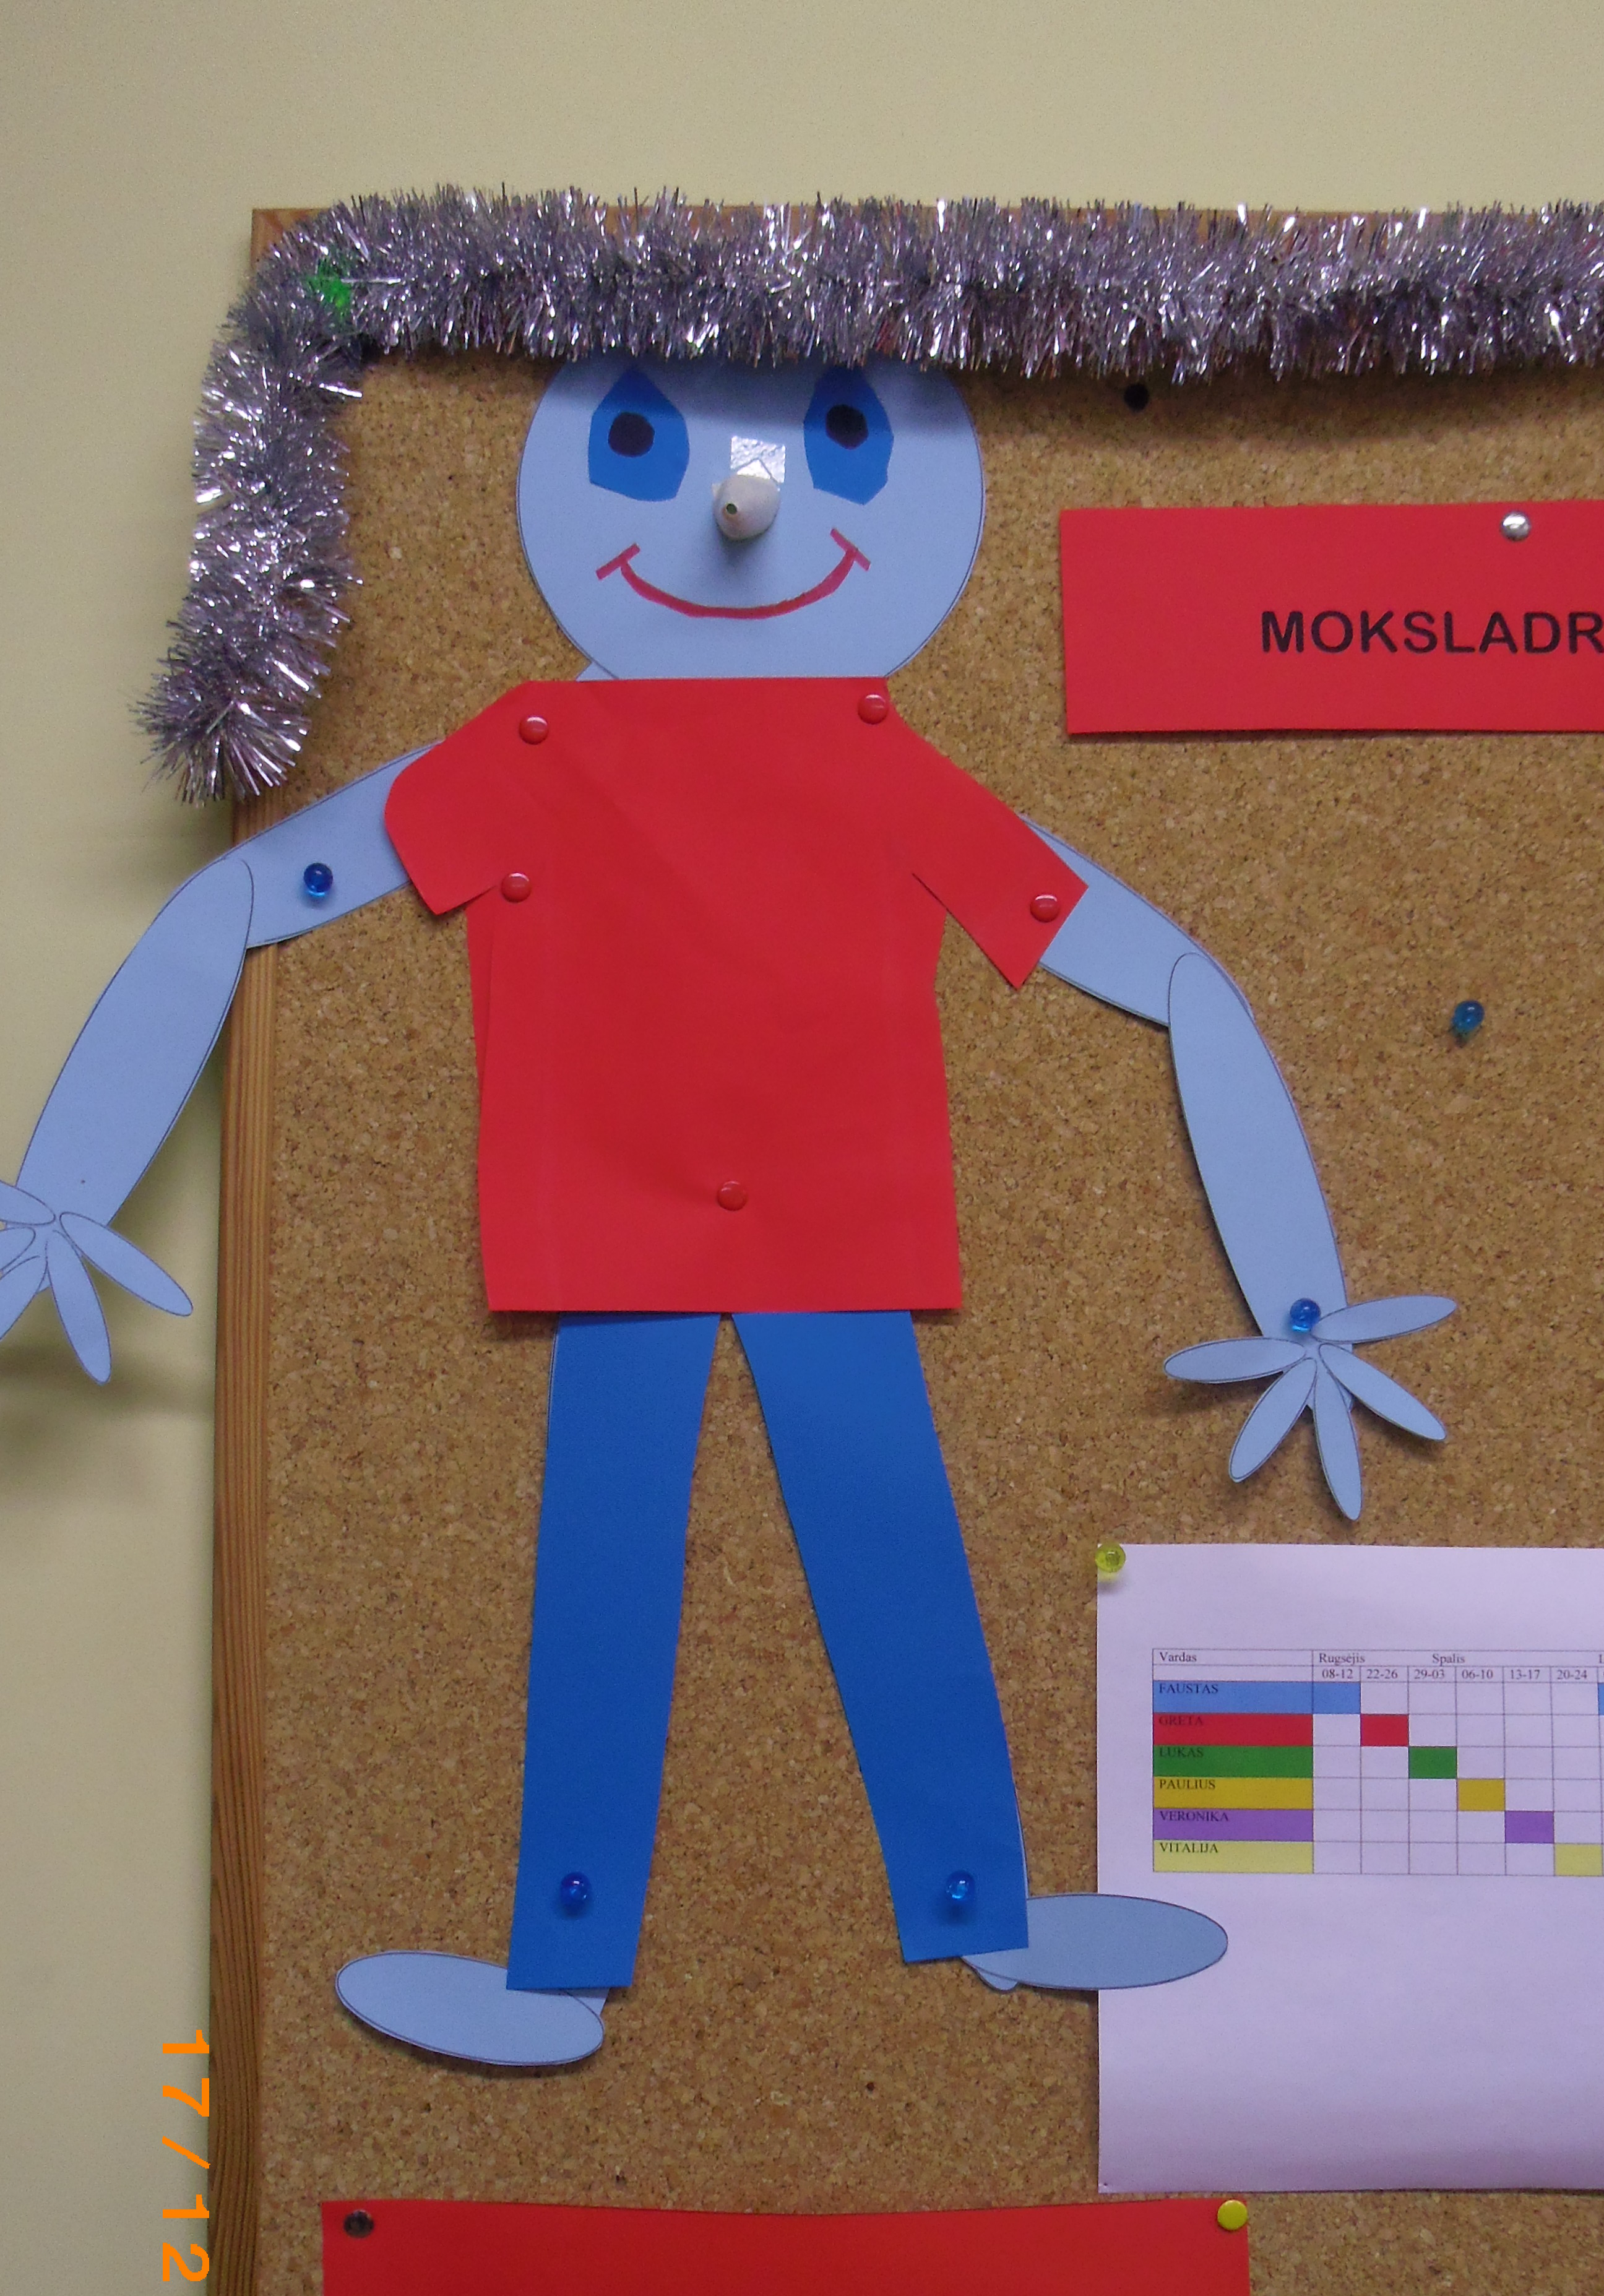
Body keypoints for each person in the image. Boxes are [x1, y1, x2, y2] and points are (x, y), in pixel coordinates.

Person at [0, 356, 1449, 2066]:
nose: (743, 503)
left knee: (877, 1542)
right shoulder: (538, 749)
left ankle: (967, 1910)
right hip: (624, 1231)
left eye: (836, 442)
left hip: (828, 1219)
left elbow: (1159, 972)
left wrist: (1298, 1295)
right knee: (612, 1564)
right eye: (635, 439)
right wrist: (67, 1189)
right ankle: (568, 1962)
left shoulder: (867, 757)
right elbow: (256, 894)